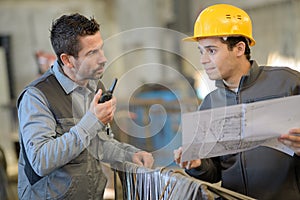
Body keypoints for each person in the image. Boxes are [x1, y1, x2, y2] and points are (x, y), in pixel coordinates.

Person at [17, 13, 154, 200]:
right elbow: (41, 161)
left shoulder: (95, 87)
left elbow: (99, 145)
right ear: (67, 60)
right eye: (92, 53)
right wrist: (92, 121)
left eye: (101, 49)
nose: (103, 59)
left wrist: (129, 155)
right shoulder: (37, 97)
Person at [174, 4, 300, 200]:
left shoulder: (288, 84)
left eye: (211, 51)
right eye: (201, 51)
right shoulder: (210, 104)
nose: (203, 60)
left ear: (239, 48)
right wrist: (197, 165)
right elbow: (214, 171)